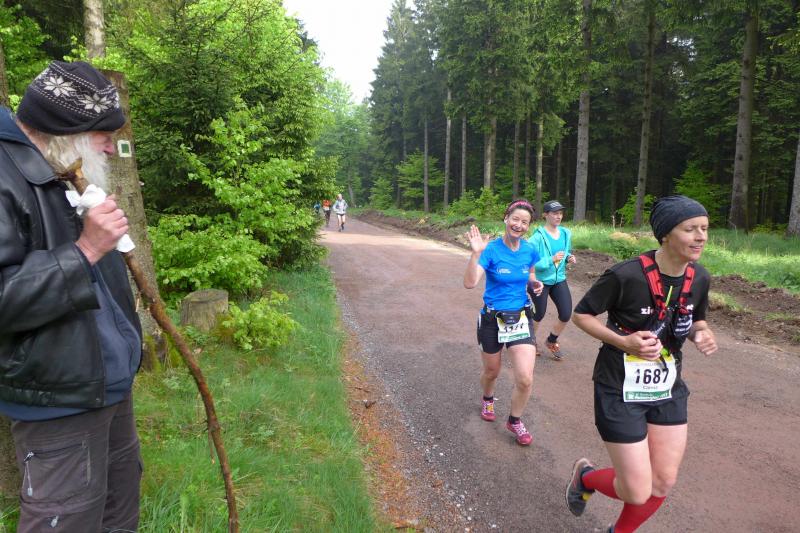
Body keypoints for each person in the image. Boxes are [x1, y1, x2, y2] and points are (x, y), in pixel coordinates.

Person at [0, 61, 143, 531]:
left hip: (107, 383)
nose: (111, 146)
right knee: (65, 520)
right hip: (58, 397)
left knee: (118, 514)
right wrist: (86, 250)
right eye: (103, 133)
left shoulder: (57, 169)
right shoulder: (5, 175)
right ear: (66, 128)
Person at [565, 195, 718, 533]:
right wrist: (623, 341)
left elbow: (697, 319)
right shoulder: (626, 275)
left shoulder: (700, 277)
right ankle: (585, 477)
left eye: (705, 229)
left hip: (666, 386)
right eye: (690, 229)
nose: (700, 237)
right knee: (636, 490)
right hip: (619, 387)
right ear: (665, 234)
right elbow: (582, 315)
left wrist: (701, 333)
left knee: (662, 483)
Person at [463, 199, 545, 446]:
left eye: (524, 222)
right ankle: (488, 398)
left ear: (529, 226)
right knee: (492, 371)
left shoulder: (529, 249)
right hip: (492, 318)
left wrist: (534, 283)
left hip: (520, 317)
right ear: (506, 219)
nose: (519, 225)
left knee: (525, 378)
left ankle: (514, 420)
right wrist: (476, 253)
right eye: (515, 219)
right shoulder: (490, 250)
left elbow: (530, 272)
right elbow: (470, 283)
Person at [528, 200, 576, 361]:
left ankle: (551, 340)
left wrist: (568, 257)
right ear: (545, 215)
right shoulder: (536, 238)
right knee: (539, 313)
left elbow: (565, 252)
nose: (558, 216)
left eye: (560, 213)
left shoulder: (565, 233)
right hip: (539, 281)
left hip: (558, 279)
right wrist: (551, 259)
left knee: (566, 313)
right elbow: (529, 263)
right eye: (555, 213)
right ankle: (530, 342)